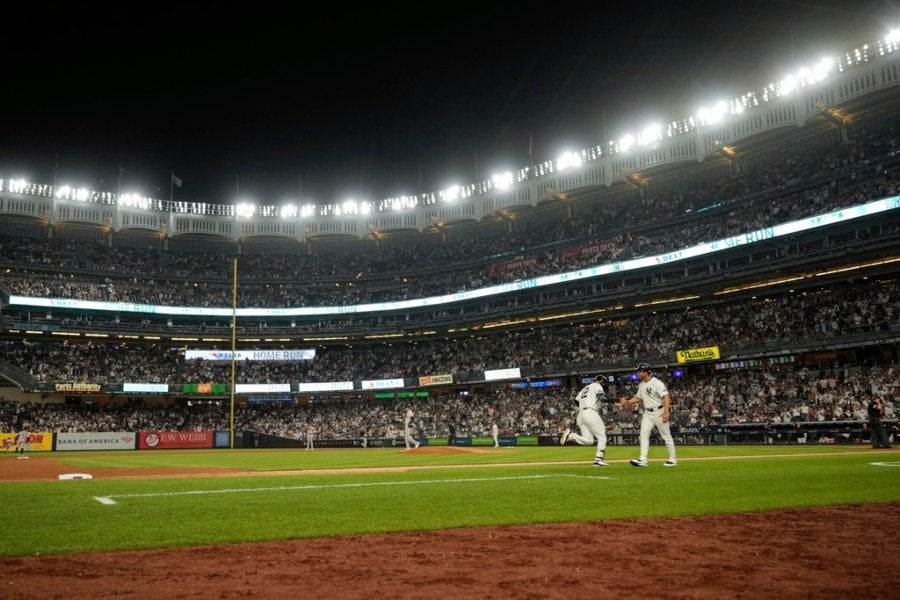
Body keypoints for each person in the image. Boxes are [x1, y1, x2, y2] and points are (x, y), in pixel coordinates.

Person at [618, 364, 677, 467]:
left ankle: (673, 459)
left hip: (659, 411)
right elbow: (638, 397)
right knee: (643, 435)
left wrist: (666, 412)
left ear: (645, 372)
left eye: (639, 371)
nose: (637, 373)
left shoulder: (657, 383)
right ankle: (643, 460)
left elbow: (666, 397)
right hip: (647, 413)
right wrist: (627, 402)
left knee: (666, 436)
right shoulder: (642, 384)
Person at [561, 375, 617, 466]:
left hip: (581, 414)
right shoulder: (597, 386)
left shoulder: (584, 389)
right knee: (602, 436)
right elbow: (602, 397)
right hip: (590, 412)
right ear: (601, 381)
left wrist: (579, 412)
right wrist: (617, 399)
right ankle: (598, 460)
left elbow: (575, 403)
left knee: (589, 440)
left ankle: (572, 436)